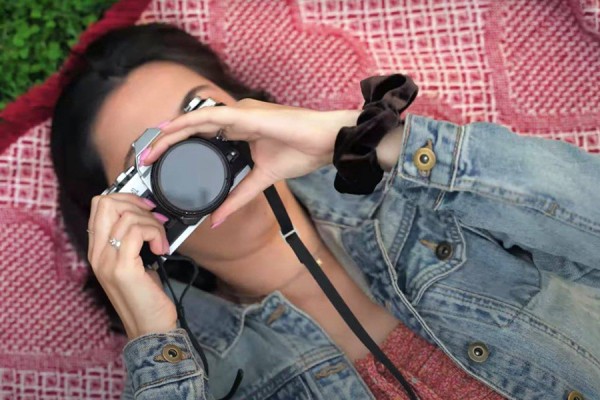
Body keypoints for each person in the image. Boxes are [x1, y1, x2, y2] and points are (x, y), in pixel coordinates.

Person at [50, 23, 600, 400]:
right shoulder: (203, 376)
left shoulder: (423, 194)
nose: (200, 157)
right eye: (153, 159)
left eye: (200, 116)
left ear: (250, 109)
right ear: (120, 211)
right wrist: (153, 340)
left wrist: (370, 142)